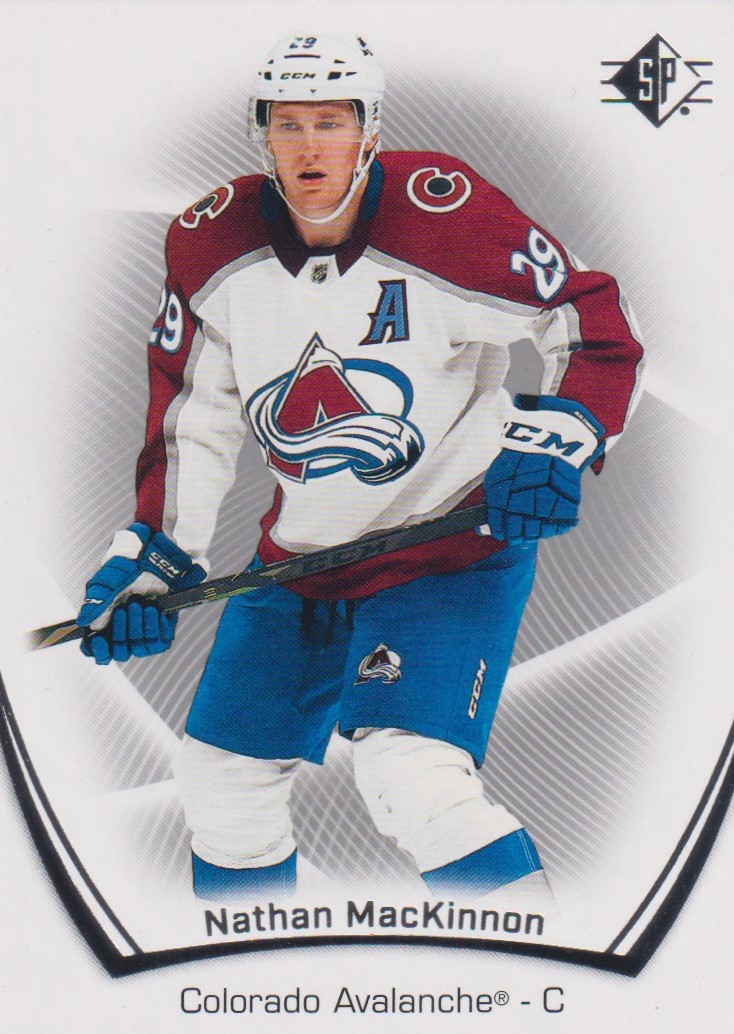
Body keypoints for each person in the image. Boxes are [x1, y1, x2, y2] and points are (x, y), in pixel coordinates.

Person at [76, 34, 644, 904]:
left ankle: (544, 964)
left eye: (331, 123)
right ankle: (254, 967)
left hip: (444, 555)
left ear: (370, 131)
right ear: (261, 133)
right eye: (289, 124)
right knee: (219, 783)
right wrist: (152, 559)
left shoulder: (444, 214)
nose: (310, 147)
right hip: (298, 564)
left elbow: (587, 318)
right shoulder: (209, 243)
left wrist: (555, 441)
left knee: (412, 782)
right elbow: (194, 414)